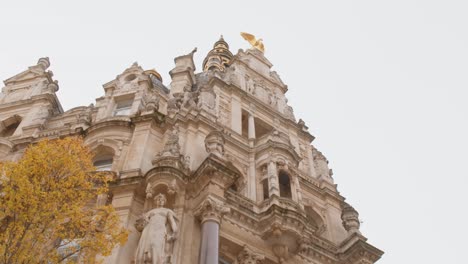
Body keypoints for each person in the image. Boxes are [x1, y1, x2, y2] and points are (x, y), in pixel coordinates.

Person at [135, 193, 178, 264]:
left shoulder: (167, 211)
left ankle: (156, 261)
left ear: (164, 201)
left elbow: (172, 222)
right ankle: (146, 260)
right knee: (146, 248)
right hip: (149, 229)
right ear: (155, 201)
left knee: (155, 245)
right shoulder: (150, 212)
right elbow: (141, 224)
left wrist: (174, 232)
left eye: (162, 200)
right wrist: (144, 219)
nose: (160, 201)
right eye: (158, 199)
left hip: (160, 230)